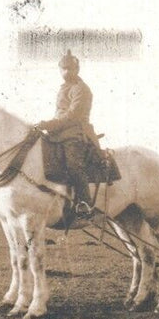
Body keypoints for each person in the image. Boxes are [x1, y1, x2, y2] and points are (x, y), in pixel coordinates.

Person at [33, 50, 98, 216]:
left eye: (70, 68)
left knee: (74, 166)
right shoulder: (65, 87)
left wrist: (49, 124)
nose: (66, 72)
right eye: (63, 69)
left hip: (74, 133)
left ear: (77, 69)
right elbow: (60, 114)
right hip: (58, 132)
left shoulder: (81, 89)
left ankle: (84, 203)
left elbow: (71, 116)